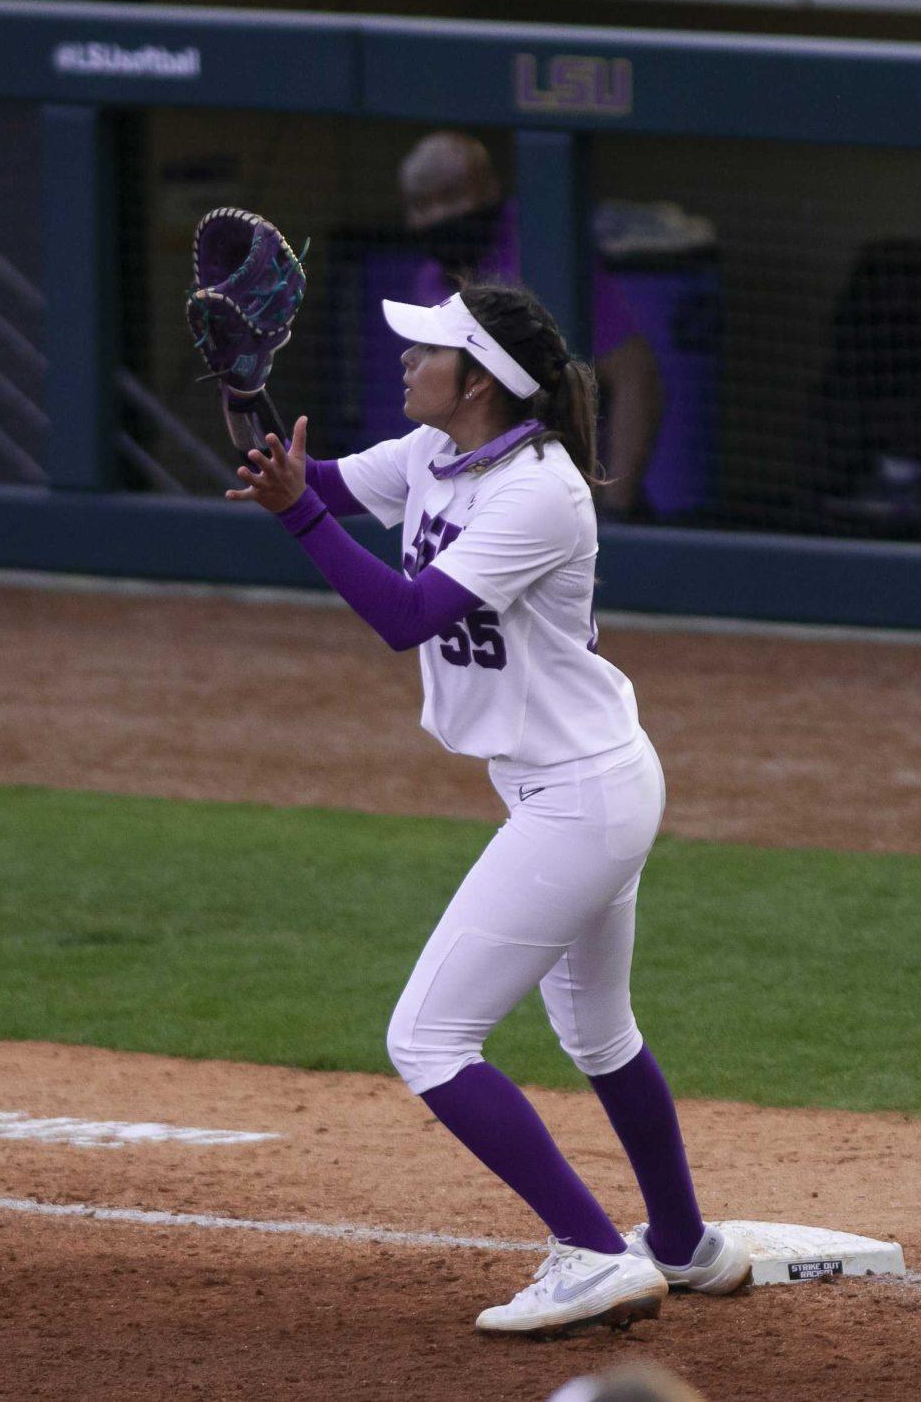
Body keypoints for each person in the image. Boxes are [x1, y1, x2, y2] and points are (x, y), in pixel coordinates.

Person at [225, 282, 750, 1334]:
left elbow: (406, 612)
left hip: (581, 797)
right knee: (598, 1032)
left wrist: (296, 513)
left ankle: (593, 1250)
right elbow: (302, 476)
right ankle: (685, 1244)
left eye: (426, 352)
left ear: (479, 384)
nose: (405, 362)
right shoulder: (436, 453)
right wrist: (244, 394)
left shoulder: (541, 493)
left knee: (427, 1038)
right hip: (578, 782)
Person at [398, 131, 662, 516]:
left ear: (489, 189)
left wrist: (614, 508)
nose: (439, 216)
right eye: (423, 205)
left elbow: (635, 376)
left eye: (453, 197)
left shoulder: (542, 248)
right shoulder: (430, 280)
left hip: (572, 501)